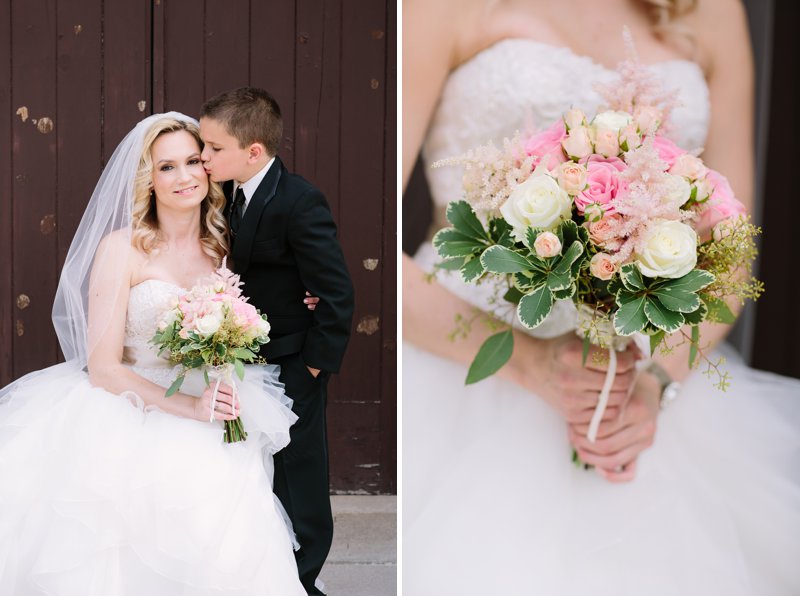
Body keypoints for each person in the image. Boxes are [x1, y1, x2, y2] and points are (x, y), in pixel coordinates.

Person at [402, 0, 800, 593]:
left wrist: (655, 383)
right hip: (462, 348)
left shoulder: (711, 10)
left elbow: (732, 251)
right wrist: (533, 362)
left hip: (641, 358)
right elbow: (361, 235)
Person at [0, 113, 309, 595]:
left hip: (212, 399)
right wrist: (189, 408)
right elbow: (103, 368)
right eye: (167, 167)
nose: (184, 176)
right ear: (148, 179)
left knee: (225, 526)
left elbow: (270, 301)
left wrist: (305, 300)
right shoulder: (121, 249)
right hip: (128, 404)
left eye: (192, 161)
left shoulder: (227, 243)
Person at [199, 88, 355, 596]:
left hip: (291, 363)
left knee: (299, 475)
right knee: (255, 476)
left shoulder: (298, 200)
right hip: (244, 361)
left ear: (254, 151)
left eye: (213, 148)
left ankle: (303, 582)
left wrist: (313, 369)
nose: (203, 158)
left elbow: (335, 293)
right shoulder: (230, 192)